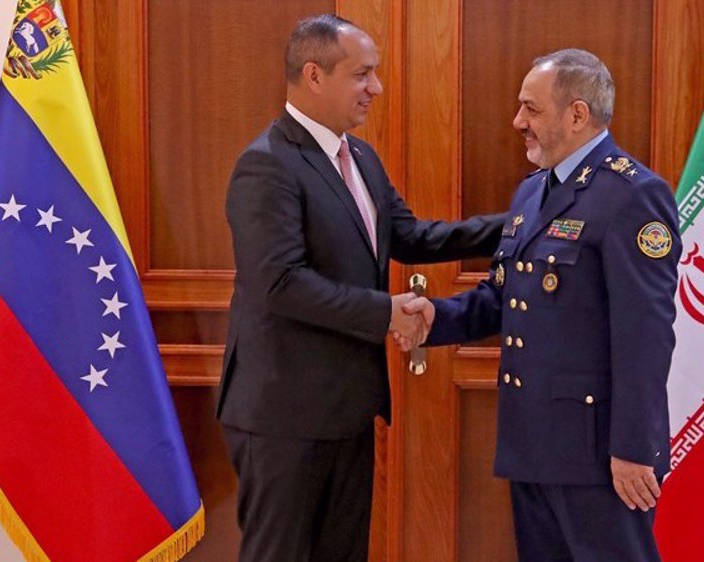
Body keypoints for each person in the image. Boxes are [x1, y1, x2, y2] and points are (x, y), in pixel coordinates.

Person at [216, 14, 506, 562]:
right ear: (314, 75)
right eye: (363, 75)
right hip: (284, 416)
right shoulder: (266, 165)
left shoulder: (361, 157)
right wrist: (386, 312)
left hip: (346, 409)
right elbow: (279, 283)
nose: (376, 88)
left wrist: (516, 226)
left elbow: (412, 237)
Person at [403, 49, 681, 561]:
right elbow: (503, 297)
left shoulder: (632, 196)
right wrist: (436, 318)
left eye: (531, 109)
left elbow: (646, 334)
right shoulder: (532, 193)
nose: (518, 122)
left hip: (599, 455)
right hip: (533, 442)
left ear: (576, 114)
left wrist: (634, 449)